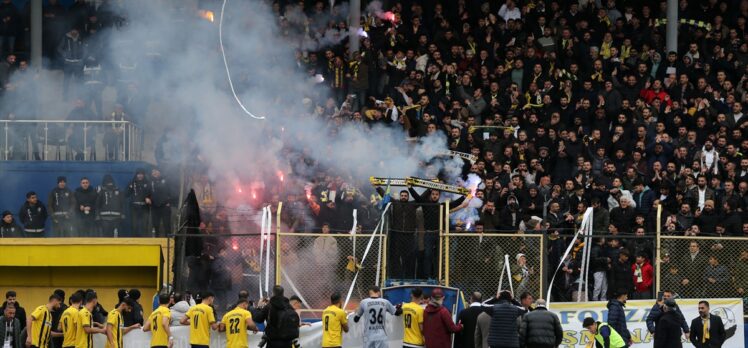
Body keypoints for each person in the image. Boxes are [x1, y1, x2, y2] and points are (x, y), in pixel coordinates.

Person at [127, 168, 151, 237]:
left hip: (144, 207)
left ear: (143, 175)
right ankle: (134, 242)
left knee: (144, 226)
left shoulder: (147, 183)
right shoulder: (132, 182)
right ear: (136, 175)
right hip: (134, 207)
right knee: (134, 226)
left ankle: (144, 242)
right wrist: (130, 188)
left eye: (141, 174)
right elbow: (126, 194)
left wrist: (149, 198)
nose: (140, 175)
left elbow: (151, 194)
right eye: (138, 174)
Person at [149, 168, 172, 237]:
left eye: (156, 171)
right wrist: (147, 197)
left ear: (160, 172)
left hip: (165, 206)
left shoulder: (165, 180)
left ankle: (168, 243)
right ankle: (156, 242)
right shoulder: (150, 181)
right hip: (154, 207)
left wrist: (169, 201)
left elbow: (172, 192)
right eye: (153, 171)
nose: (154, 173)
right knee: (155, 226)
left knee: (166, 225)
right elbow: (146, 192)